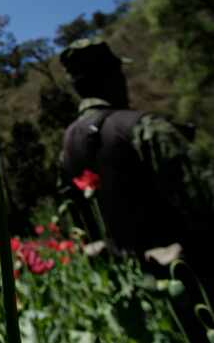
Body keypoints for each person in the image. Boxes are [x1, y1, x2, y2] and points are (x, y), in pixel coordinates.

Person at [59, 38, 212, 340]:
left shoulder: (67, 146)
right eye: (120, 74)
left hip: (130, 296)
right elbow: (202, 198)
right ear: (110, 78)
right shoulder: (142, 127)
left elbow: (73, 218)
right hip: (187, 283)